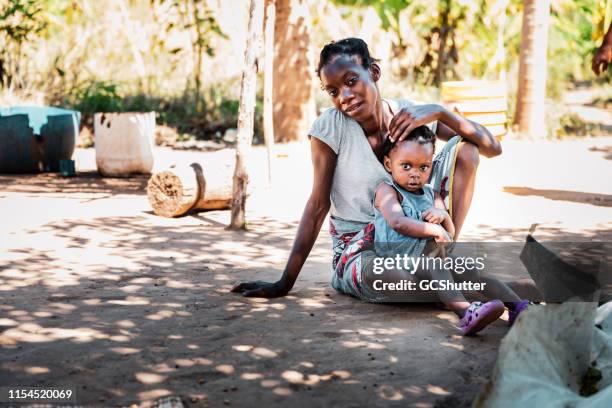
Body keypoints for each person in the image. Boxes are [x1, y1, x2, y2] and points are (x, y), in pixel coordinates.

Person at [231, 38, 511, 325]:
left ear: (374, 73)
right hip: (361, 250)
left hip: (418, 237)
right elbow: (317, 204)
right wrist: (284, 281)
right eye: (333, 91)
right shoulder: (330, 127)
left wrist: (441, 111)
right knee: (395, 279)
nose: (344, 96)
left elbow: (493, 147)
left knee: (468, 150)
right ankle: (448, 282)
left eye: (351, 80)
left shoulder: (411, 115)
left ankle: (443, 256)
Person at [372, 125, 530, 334]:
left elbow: (450, 233)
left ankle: (519, 307)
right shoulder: (387, 190)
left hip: (428, 256)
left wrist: (444, 216)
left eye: (423, 167)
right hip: (397, 257)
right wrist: (434, 230)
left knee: (472, 270)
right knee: (437, 266)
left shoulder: (432, 194)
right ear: (388, 164)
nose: (415, 174)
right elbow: (397, 222)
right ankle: (465, 313)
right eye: (406, 166)